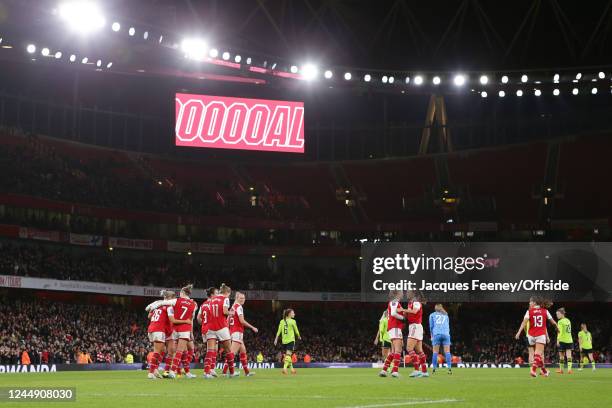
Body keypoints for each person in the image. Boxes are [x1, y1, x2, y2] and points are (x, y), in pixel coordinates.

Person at [515, 296, 557, 377]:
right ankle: (534, 369)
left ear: (534, 303)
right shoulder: (544, 311)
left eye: (530, 302)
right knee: (539, 354)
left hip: (530, 335)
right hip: (540, 335)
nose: (529, 303)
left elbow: (524, 324)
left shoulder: (529, 312)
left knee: (533, 354)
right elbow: (546, 325)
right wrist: (554, 330)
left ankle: (544, 371)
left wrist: (519, 332)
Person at [222, 291, 258, 377]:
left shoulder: (232, 308)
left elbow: (227, 321)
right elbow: (242, 321)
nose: (243, 300)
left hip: (233, 332)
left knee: (243, 351)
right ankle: (225, 372)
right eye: (241, 298)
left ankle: (247, 372)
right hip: (237, 332)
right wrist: (252, 327)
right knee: (232, 353)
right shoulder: (239, 307)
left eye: (244, 298)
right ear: (237, 298)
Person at [204, 283, 235, 379]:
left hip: (211, 327)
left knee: (210, 351)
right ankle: (232, 373)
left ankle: (206, 373)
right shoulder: (225, 299)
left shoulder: (212, 299)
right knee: (229, 350)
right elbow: (225, 311)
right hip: (221, 327)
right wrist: (231, 313)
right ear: (227, 293)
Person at [166, 284, 197, 379]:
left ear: (182, 293)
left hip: (175, 329)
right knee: (180, 351)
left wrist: (153, 305)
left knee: (182, 351)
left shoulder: (176, 301)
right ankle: (172, 371)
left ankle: (186, 372)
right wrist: (191, 332)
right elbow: (191, 319)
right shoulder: (194, 304)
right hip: (185, 329)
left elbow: (163, 303)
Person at [146, 289, 174, 379]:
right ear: (171, 298)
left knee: (162, 351)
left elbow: (149, 316)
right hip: (159, 329)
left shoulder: (157, 305)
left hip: (151, 328)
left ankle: (155, 370)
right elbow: (171, 319)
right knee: (157, 352)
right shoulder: (169, 306)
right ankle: (151, 372)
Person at [379, 290, 404, 378]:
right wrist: (403, 317)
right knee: (398, 350)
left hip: (392, 328)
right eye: (401, 292)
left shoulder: (393, 302)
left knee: (393, 352)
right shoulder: (394, 302)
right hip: (395, 327)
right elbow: (393, 313)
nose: (402, 294)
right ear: (397, 294)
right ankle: (395, 371)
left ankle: (384, 370)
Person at [405, 291, 428, 378]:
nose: (407, 294)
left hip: (415, 326)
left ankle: (416, 370)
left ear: (413, 294)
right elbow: (411, 314)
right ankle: (424, 371)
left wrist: (402, 310)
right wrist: (405, 313)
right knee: (419, 350)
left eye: (408, 292)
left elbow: (414, 311)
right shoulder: (410, 303)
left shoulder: (416, 302)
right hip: (415, 326)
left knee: (409, 348)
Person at [197, 287, 218, 377]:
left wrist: (204, 323)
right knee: (210, 350)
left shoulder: (203, 304)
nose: (218, 295)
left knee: (214, 349)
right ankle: (206, 371)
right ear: (212, 295)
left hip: (205, 328)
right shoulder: (213, 304)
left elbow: (198, 318)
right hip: (211, 329)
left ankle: (211, 369)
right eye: (217, 293)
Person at [274, 308, 301, 375]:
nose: (294, 314)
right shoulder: (293, 321)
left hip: (284, 341)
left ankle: (292, 370)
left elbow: (279, 331)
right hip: (291, 340)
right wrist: (299, 336)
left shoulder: (282, 321)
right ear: (289, 314)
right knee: (288, 355)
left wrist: (276, 339)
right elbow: (296, 330)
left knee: (288, 356)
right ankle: (284, 368)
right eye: (293, 313)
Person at [429, 304, 452, 374]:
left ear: (435, 308)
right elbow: (448, 326)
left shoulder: (432, 315)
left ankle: (434, 369)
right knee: (447, 352)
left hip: (437, 334)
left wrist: (431, 336)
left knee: (435, 352)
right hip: (446, 334)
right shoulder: (446, 315)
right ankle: (449, 368)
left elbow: (431, 326)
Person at [555, 308, 573, 374]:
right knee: (569, 355)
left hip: (562, 340)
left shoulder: (560, 321)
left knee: (561, 356)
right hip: (569, 340)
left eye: (558, 314)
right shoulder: (568, 320)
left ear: (562, 314)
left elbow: (560, 332)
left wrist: (558, 340)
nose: (557, 315)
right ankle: (569, 369)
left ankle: (561, 370)